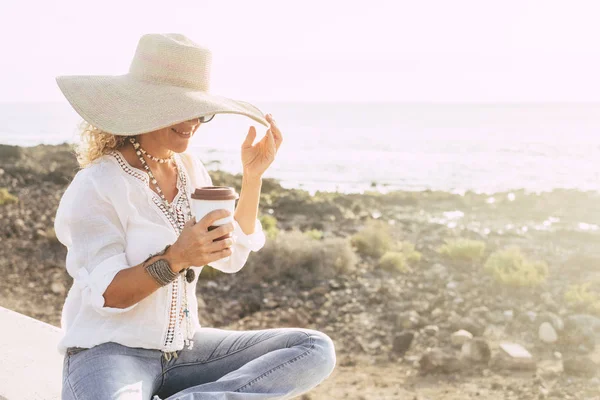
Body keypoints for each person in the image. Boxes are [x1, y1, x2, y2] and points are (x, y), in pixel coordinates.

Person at [54, 33, 336, 400]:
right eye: (179, 108)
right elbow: (110, 296)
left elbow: (231, 257)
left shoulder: (190, 170)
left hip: (186, 353)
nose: (194, 123)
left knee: (314, 349)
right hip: (109, 352)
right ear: (145, 105)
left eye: (200, 111)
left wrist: (253, 178)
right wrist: (176, 258)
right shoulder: (98, 183)